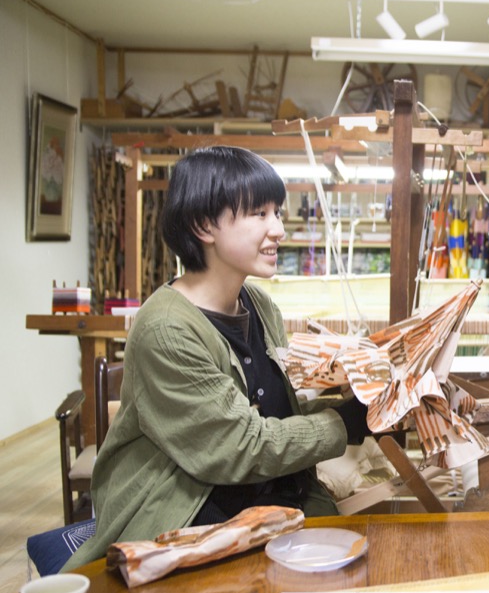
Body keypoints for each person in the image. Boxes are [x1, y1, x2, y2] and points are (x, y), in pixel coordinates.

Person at [65, 146, 369, 568]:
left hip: (269, 503)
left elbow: (274, 415)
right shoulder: (167, 329)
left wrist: (364, 406)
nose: (279, 228)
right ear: (204, 225)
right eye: (259, 214)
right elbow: (239, 447)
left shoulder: (259, 306)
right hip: (190, 517)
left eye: (277, 213)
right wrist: (345, 424)